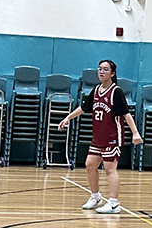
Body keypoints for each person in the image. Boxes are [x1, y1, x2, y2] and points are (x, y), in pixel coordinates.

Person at [58, 59, 142, 215]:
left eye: (105, 69)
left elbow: (126, 114)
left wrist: (135, 132)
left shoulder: (116, 91)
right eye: (99, 69)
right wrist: (68, 117)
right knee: (90, 165)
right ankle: (95, 196)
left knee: (110, 169)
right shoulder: (96, 90)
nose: (101, 72)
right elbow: (84, 107)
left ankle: (114, 203)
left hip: (112, 137)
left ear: (113, 73)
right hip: (98, 137)